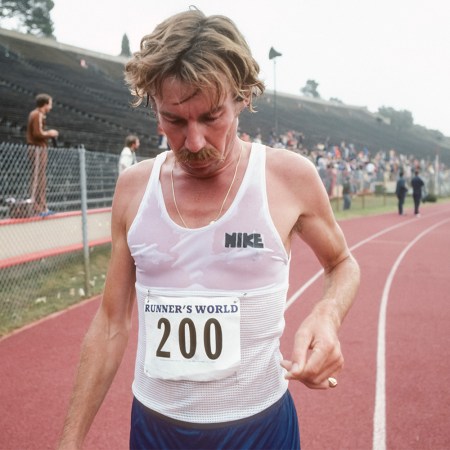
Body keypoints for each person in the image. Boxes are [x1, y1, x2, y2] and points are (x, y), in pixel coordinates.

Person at [59, 9, 360, 450]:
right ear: (155, 109)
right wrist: (68, 442)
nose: (194, 142)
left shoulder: (287, 178)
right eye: (174, 121)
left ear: (242, 98)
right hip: (154, 430)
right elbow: (110, 323)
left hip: (259, 430)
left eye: (211, 117)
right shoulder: (134, 189)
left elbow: (342, 263)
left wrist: (327, 315)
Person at [26, 93, 59, 215]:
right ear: (45, 104)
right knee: (37, 178)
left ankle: (42, 207)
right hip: (37, 149)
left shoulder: (38, 115)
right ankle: (37, 207)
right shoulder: (37, 114)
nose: (51, 107)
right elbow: (37, 133)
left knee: (40, 178)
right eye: (50, 104)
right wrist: (50, 133)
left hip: (39, 149)